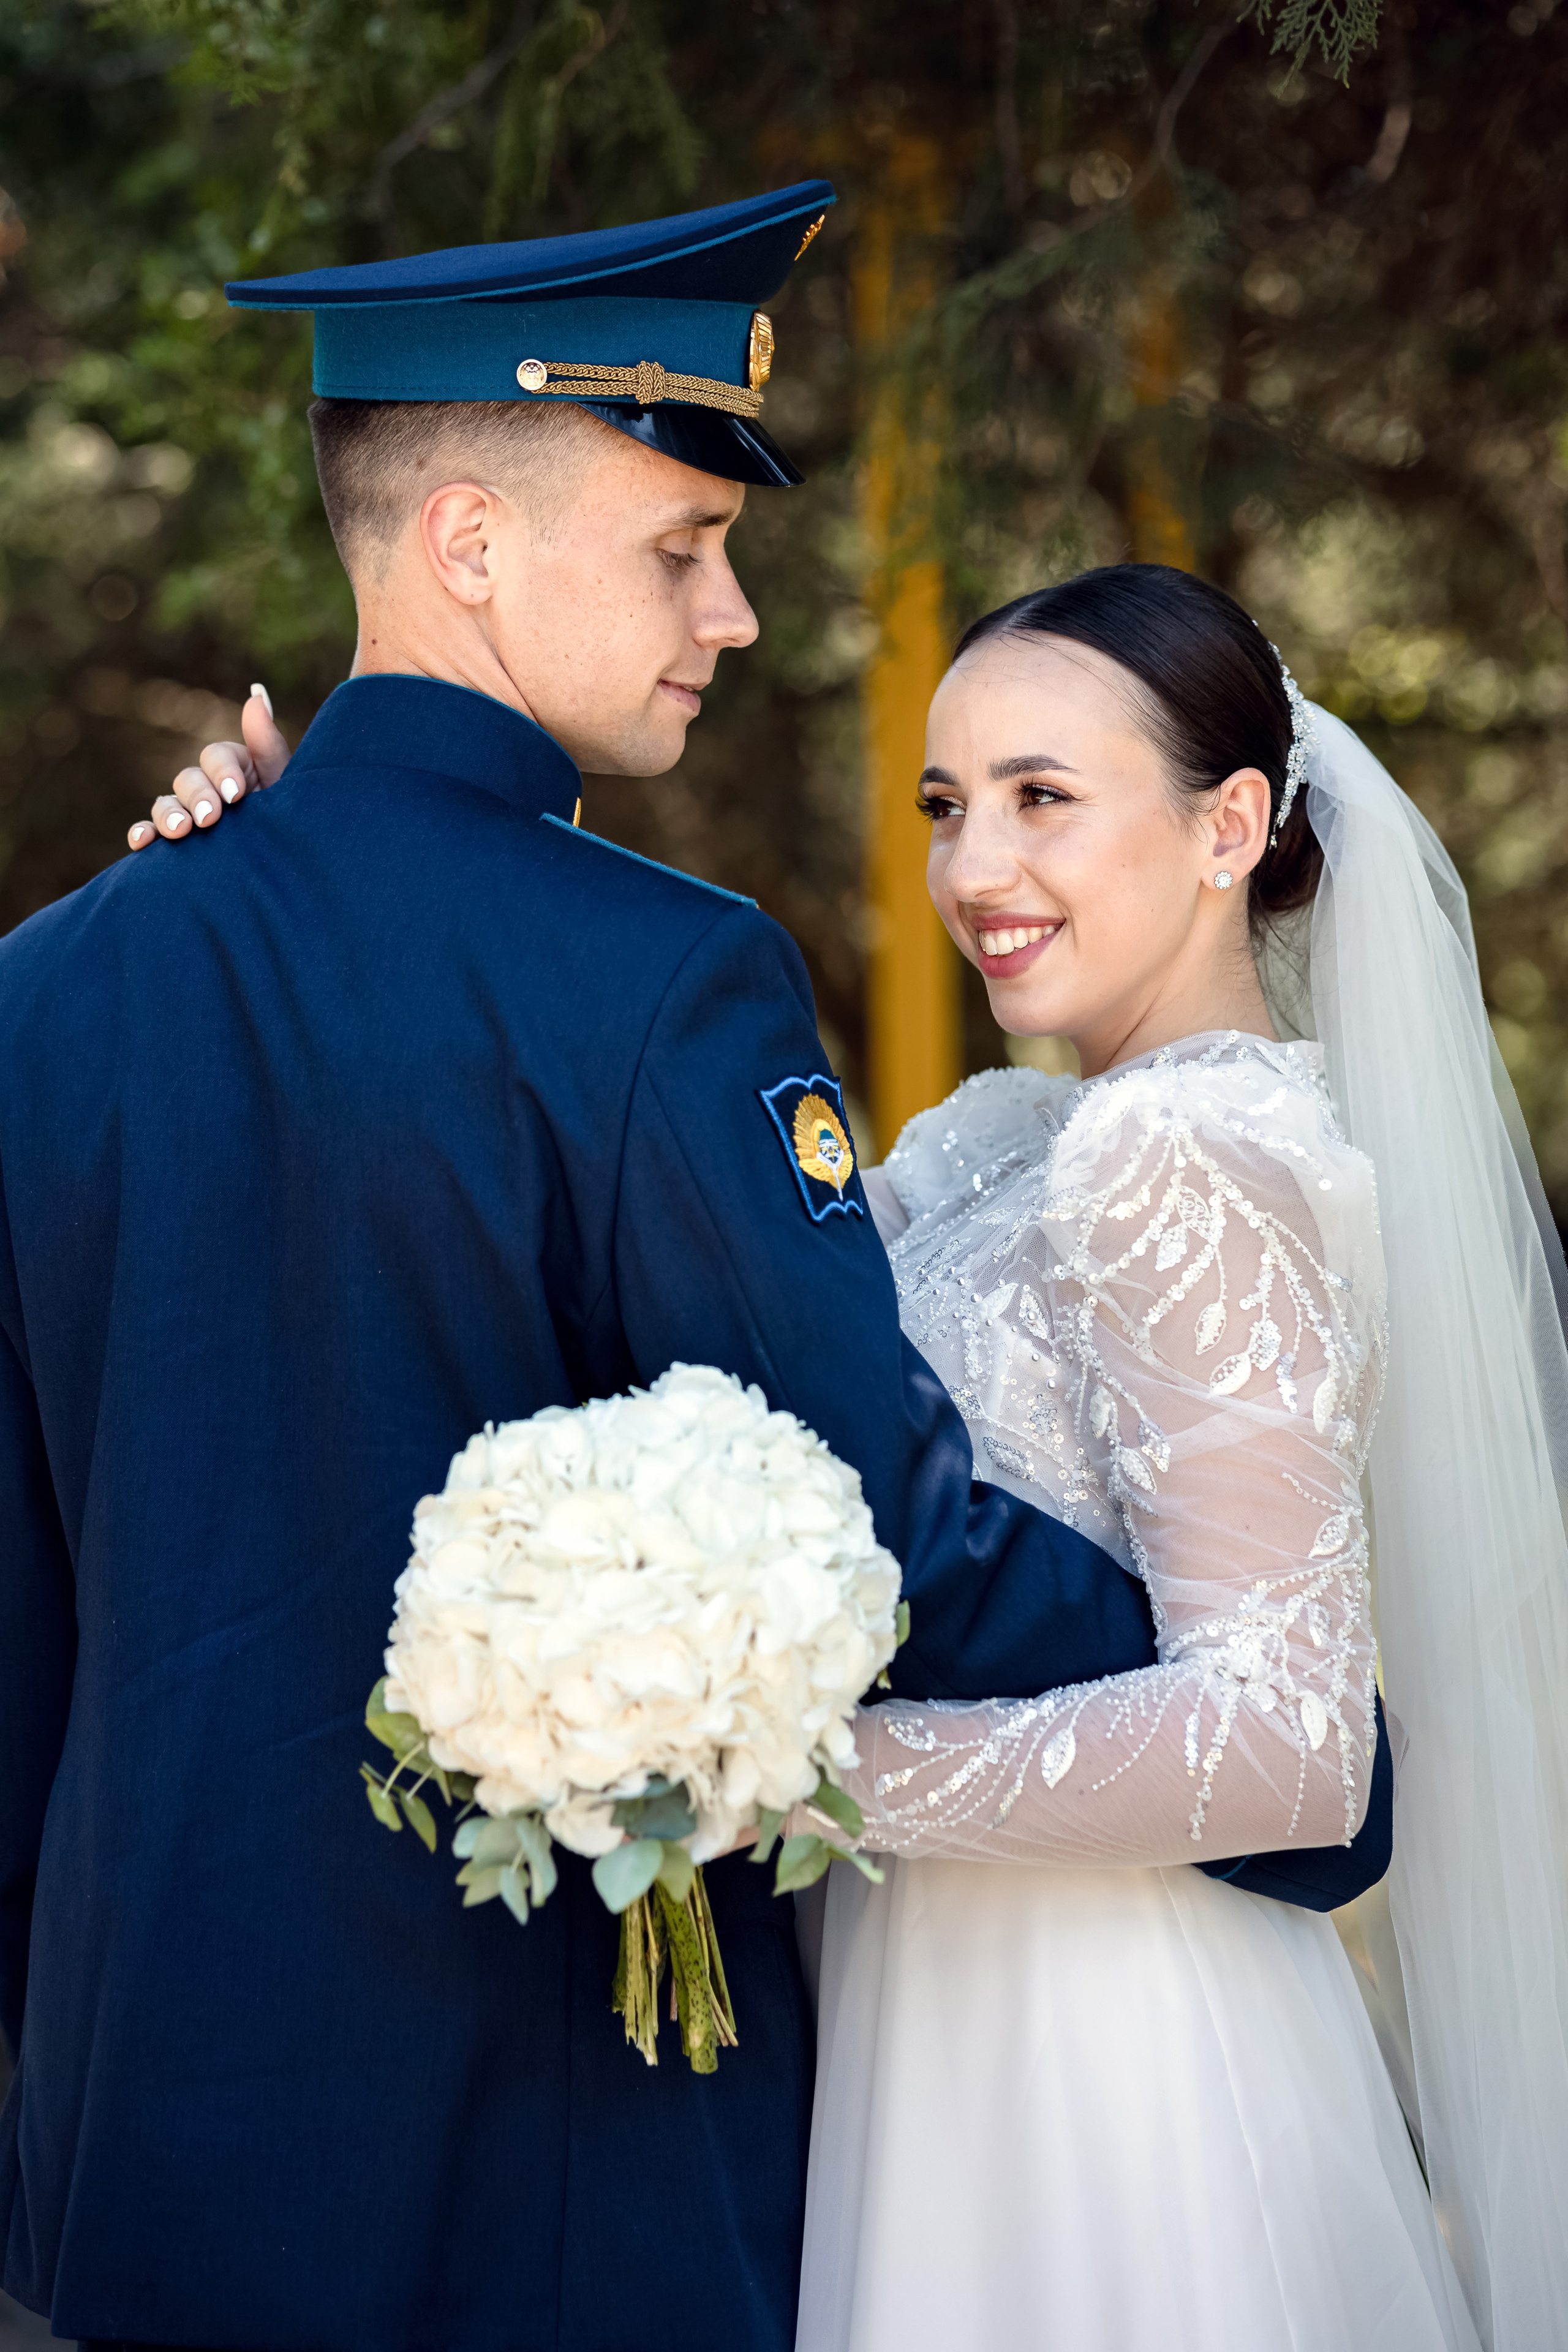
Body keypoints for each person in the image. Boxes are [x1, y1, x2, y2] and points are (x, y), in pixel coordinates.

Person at [0, 199, 1392, 2352]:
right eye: (675, 548)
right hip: (565, 2171)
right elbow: (877, 1525)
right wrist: (1294, 1772)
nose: (731, 613)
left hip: (131, 2164)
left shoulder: (51, 986)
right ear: (468, 540)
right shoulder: (661, 982)